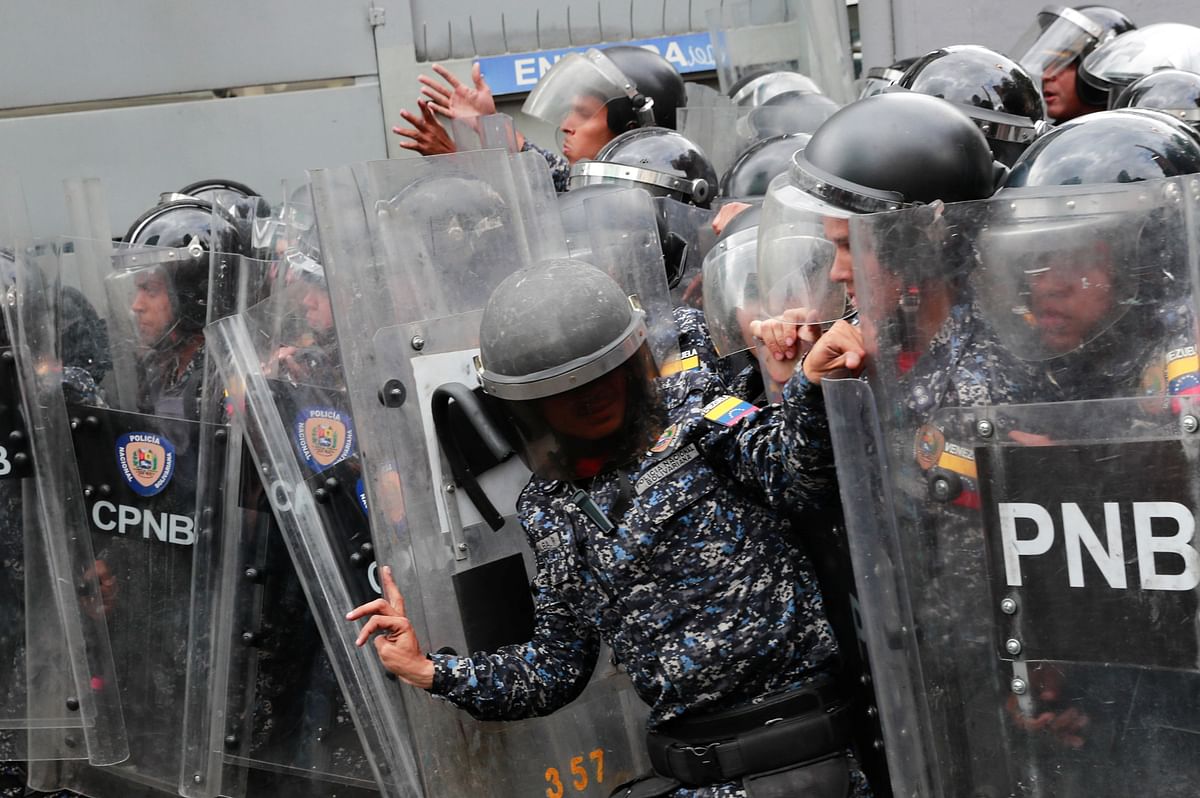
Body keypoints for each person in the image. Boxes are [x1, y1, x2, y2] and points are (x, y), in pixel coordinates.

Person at [349, 257, 873, 798]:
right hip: (695, 776)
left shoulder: (692, 412)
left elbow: (793, 474)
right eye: (565, 390)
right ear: (525, 408)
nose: (592, 396)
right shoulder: (548, 508)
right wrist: (430, 670)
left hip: (801, 765)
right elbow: (556, 666)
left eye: (604, 378)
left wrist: (811, 384)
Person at [397, 47, 686, 191]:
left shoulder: (647, 203)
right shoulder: (589, 183)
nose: (566, 125)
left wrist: (453, 160)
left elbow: (527, 223)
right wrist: (488, 122)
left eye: (583, 114)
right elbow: (548, 173)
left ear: (630, 132)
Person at [1010, 5, 1135, 123]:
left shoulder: (1127, 143)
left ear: (1102, 68)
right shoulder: (1046, 141)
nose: (1046, 76)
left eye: (1063, 63)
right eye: (1046, 65)